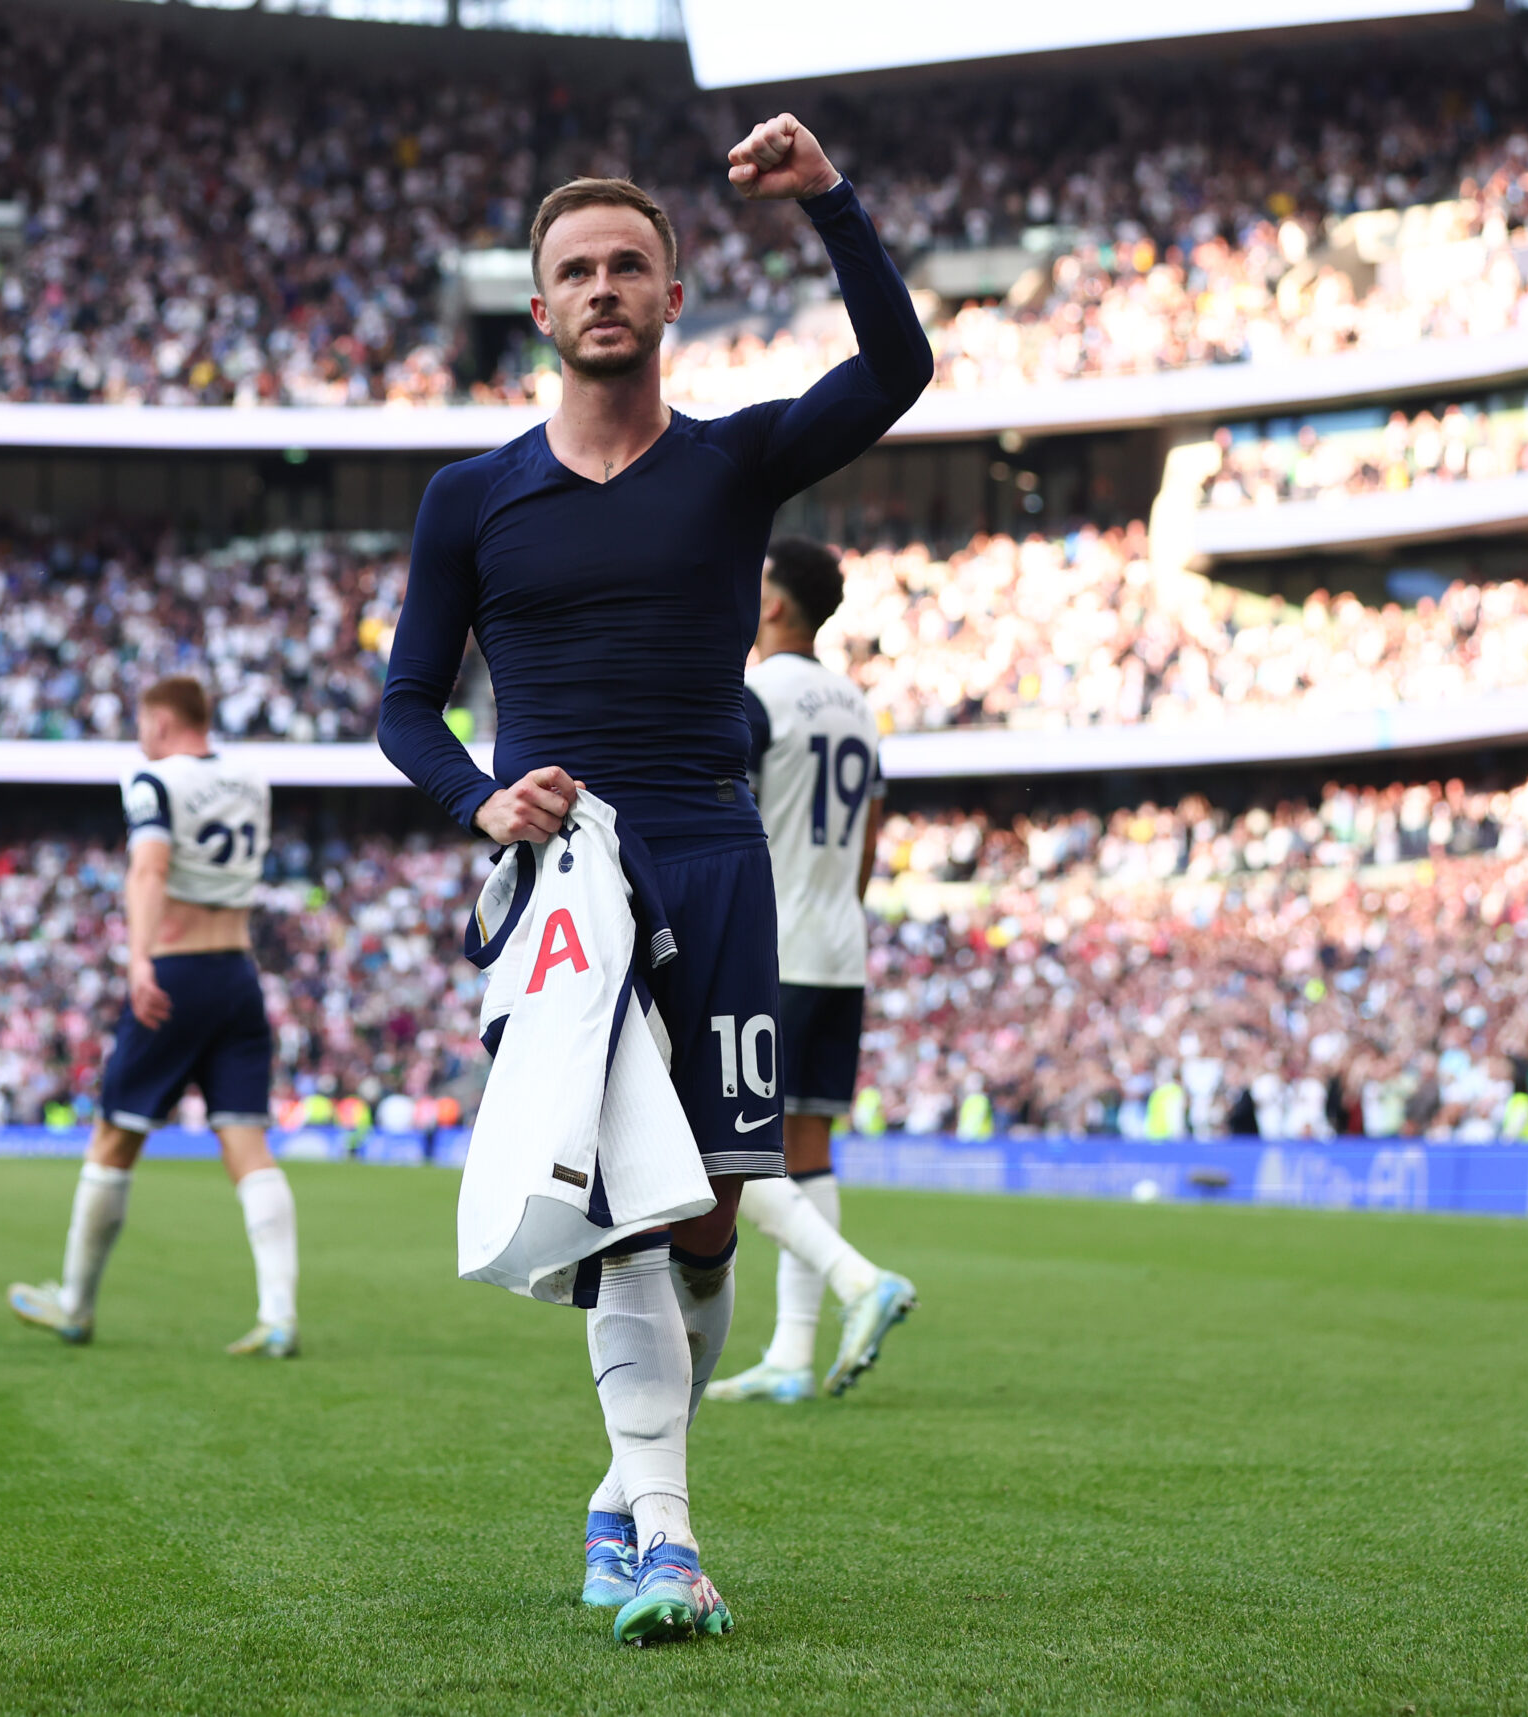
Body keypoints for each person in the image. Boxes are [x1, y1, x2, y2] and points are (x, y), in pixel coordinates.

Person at [377, 113, 929, 1647]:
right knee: (621, 1202)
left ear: (671, 297)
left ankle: (631, 1496)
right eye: (576, 270)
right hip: (566, 884)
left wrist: (832, 205)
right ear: (540, 310)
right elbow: (404, 707)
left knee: (708, 1214)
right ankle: (673, 1539)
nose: (605, 286)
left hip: (714, 855)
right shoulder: (469, 501)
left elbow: (895, 373)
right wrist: (482, 798)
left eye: (631, 263)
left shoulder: (738, 462)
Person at [9, 675, 301, 1357]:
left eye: (143, 722)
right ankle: (279, 1313)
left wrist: (139, 960)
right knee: (249, 1147)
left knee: (114, 1138)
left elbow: (148, 870)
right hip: (238, 971)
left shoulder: (152, 779)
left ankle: (76, 1305)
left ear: (162, 722)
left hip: (174, 973)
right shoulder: (252, 778)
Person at [708, 536, 918, 1408]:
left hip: (775, 947)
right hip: (839, 945)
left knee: (727, 1149)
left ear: (775, 605)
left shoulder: (757, 697)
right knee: (807, 1148)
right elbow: (871, 839)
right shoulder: (858, 707)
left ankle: (857, 1279)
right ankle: (793, 1353)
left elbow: (725, 821)